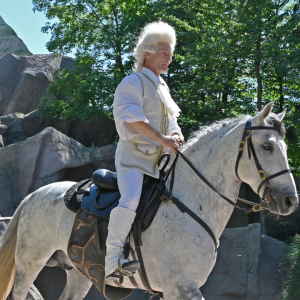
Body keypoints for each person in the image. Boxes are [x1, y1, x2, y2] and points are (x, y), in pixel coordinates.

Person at [105, 21, 185, 281]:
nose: (169, 59)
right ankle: (112, 261)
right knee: (130, 199)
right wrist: (163, 139)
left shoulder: (163, 89)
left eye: (171, 55)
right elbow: (133, 121)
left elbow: (173, 123)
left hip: (160, 162)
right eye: (164, 53)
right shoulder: (132, 82)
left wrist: (176, 136)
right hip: (133, 161)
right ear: (147, 52)